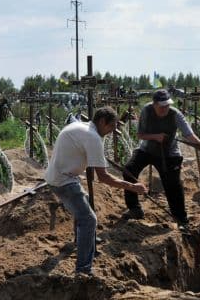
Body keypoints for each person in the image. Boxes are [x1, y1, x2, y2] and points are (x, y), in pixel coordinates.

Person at [45, 107, 147, 276]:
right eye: (111, 127)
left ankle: (85, 241)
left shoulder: (81, 127)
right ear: (102, 122)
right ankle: (83, 270)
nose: (111, 132)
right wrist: (133, 187)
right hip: (63, 181)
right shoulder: (93, 137)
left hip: (59, 176)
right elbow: (104, 178)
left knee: (83, 203)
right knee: (89, 220)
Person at [122, 89, 200, 230]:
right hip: (147, 149)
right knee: (129, 170)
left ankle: (181, 219)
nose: (165, 108)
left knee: (173, 184)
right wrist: (156, 136)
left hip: (170, 152)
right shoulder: (146, 110)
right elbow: (140, 135)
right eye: (162, 106)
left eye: (167, 105)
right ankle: (135, 208)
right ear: (154, 104)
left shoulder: (175, 114)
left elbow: (189, 135)